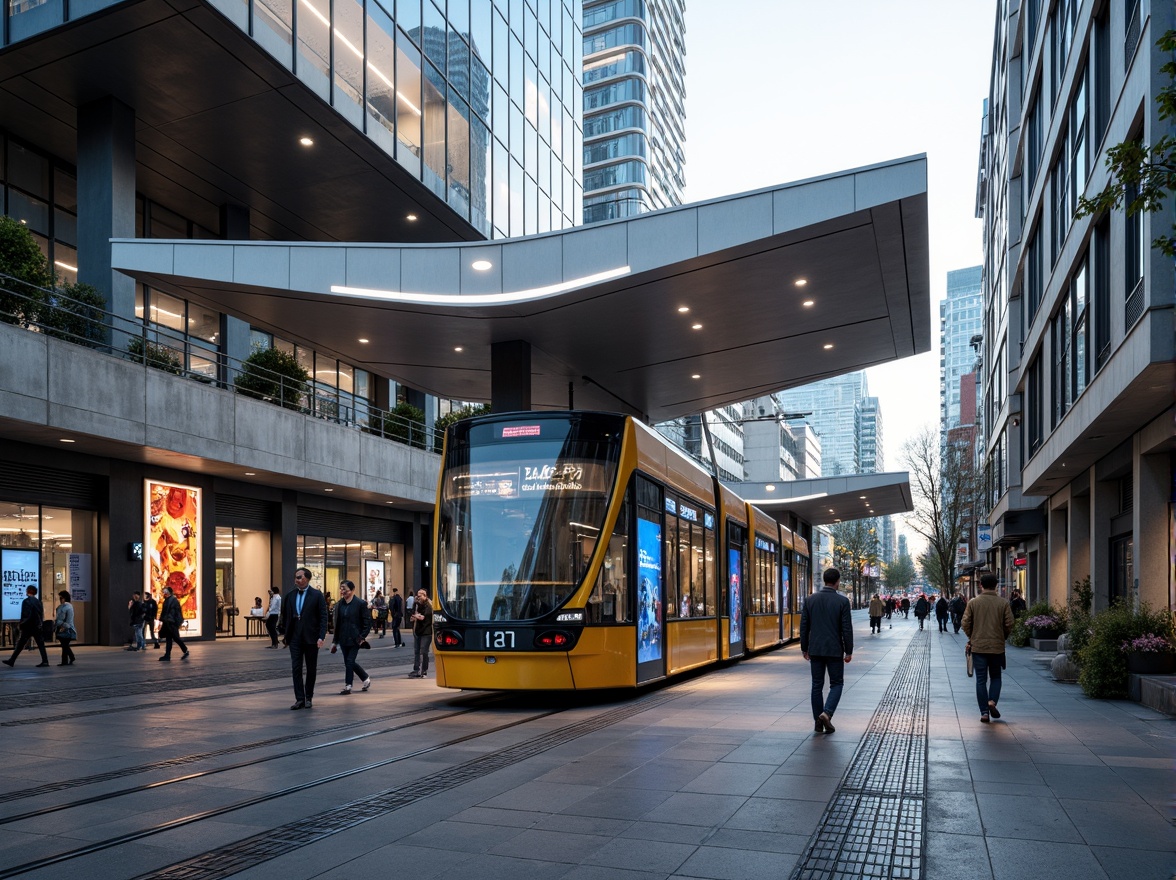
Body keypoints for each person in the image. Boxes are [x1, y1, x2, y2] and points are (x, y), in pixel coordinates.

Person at [799, 568, 853, 734]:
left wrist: (804, 647)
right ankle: (827, 713)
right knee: (836, 683)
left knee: (817, 685)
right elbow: (846, 628)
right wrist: (848, 650)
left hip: (815, 649)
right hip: (835, 649)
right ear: (837, 581)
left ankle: (818, 721)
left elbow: (804, 626)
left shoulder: (810, 600)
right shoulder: (842, 602)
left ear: (824, 580)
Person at [962, 573, 1015, 723]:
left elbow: (965, 623)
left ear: (981, 585)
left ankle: (984, 712)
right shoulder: (1003, 603)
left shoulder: (973, 603)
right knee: (996, 676)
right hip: (997, 647)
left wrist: (972, 637)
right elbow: (1010, 623)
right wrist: (1002, 635)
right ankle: (992, 701)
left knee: (981, 680)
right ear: (996, 585)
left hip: (978, 646)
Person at [281, 567, 327, 709]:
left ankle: (309, 697)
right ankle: (299, 698)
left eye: (299, 577)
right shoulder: (290, 595)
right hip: (295, 638)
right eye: (296, 577)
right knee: (296, 668)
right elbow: (285, 615)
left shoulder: (316, 595)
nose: (297, 580)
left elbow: (323, 617)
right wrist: (285, 634)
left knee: (311, 668)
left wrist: (321, 636)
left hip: (311, 638)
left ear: (307, 578)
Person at [331, 579, 372, 694]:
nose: (343, 591)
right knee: (349, 662)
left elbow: (367, 622)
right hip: (343, 638)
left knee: (349, 661)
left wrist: (362, 636)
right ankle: (365, 678)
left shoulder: (360, 604)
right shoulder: (339, 604)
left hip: (356, 639)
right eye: (341, 589)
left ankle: (348, 685)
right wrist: (335, 641)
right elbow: (338, 624)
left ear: (353, 590)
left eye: (345, 589)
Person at [3, 586, 50, 668]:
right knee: (40, 644)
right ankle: (45, 661)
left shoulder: (26, 601)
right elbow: (40, 614)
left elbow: (26, 614)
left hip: (28, 626)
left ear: (29, 591)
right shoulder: (38, 602)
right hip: (37, 626)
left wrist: (21, 623)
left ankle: (12, 660)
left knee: (21, 643)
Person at [158, 585, 189, 661]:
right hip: (169, 621)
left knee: (175, 637)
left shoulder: (173, 600)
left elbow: (175, 612)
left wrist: (174, 621)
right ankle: (167, 655)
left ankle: (185, 650)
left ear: (168, 592)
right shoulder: (168, 600)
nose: (163, 592)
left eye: (165, 591)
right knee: (169, 638)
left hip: (171, 622)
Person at [409, 589, 433, 678]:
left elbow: (423, 617)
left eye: (419, 596)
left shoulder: (429, 605)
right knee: (416, 651)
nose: (418, 597)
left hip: (426, 632)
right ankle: (416, 669)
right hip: (418, 631)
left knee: (424, 651)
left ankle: (424, 671)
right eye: (417, 596)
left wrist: (416, 616)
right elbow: (415, 615)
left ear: (424, 596)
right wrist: (413, 617)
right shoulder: (417, 605)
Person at [54, 590, 77, 665]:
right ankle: (70, 657)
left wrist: (64, 626)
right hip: (61, 627)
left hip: (66, 629)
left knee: (64, 645)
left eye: (61, 598)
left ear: (65, 598)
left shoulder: (68, 607)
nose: (60, 600)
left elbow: (69, 620)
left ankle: (65, 661)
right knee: (64, 645)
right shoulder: (61, 606)